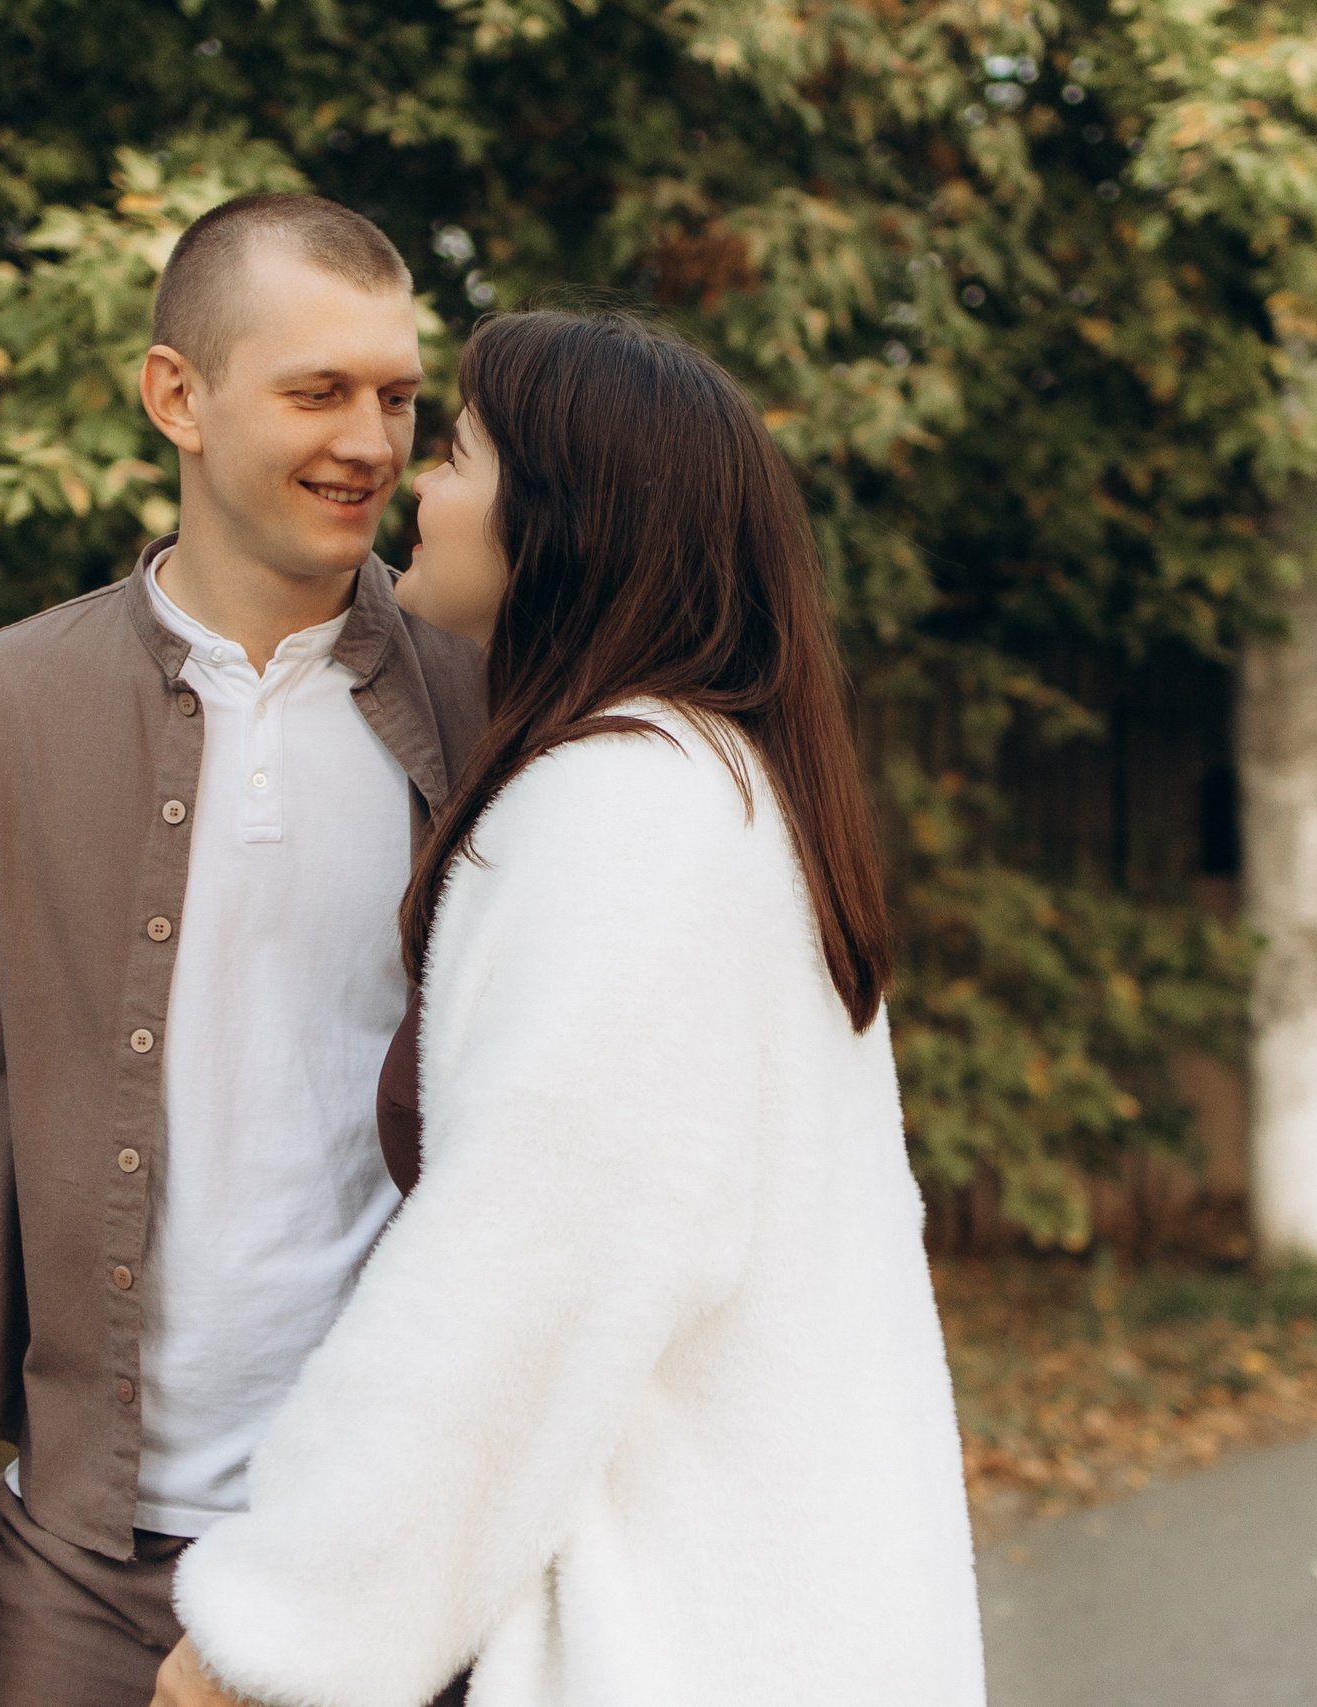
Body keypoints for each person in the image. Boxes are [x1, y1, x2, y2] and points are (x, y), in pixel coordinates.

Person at [148, 309, 987, 1707]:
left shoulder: (622, 814)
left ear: (559, 517)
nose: (418, 481)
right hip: (773, 1612)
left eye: (459, 450)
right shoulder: (710, 788)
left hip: (675, 1634)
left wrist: (278, 1633)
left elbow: (521, 1277)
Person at [0, 192, 486, 1707]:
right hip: (84, 1551)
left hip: (396, 1543)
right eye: (318, 392)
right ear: (175, 396)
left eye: (397, 397)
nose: (372, 443)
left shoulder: (490, 700)